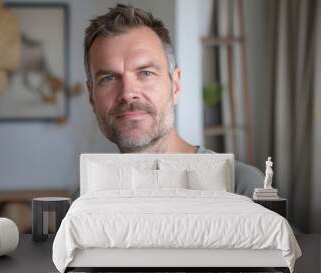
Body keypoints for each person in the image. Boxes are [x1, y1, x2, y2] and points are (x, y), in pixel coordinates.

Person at [77, 3, 263, 198]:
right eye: (109, 78)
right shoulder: (83, 203)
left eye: (146, 73)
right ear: (91, 95)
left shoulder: (240, 187)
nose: (128, 92)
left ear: (175, 85)